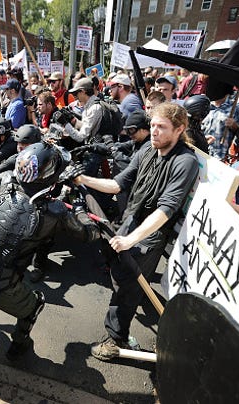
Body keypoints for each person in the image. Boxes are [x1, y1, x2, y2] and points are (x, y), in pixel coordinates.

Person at [0, 141, 100, 377]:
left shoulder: (5, 179)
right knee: (34, 306)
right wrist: (80, 207)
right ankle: (18, 347)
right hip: (2, 284)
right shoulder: (55, 211)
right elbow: (90, 234)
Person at [72, 102, 199, 359]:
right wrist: (83, 179)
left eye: (161, 127)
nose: (154, 131)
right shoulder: (146, 150)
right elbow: (118, 184)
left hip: (151, 235)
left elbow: (165, 210)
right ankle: (127, 304)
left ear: (179, 129)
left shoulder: (185, 162)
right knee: (120, 276)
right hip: (130, 221)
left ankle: (116, 339)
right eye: (152, 125)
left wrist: (131, 240)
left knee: (127, 288)